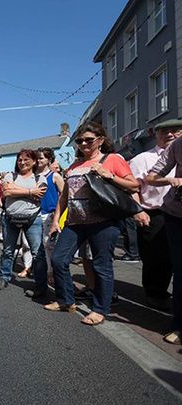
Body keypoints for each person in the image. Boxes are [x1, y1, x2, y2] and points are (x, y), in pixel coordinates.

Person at [46, 122, 139, 325]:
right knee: (59, 260)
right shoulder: (74, 165)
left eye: (89, 139)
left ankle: (100, 309)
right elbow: (64, 196)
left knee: (101, 266)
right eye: (80, 140)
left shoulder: (112, 159)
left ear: (101, 140)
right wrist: (55, 220)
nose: (84, 143)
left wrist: (109, 175)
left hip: (103, 222)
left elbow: (134, 185)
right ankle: (65, 300)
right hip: (75, 221)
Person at [131, 120, 181, 311]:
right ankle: (154, 293)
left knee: (173, 257)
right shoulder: (142, 159)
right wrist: (138, 211)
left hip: (177, 211)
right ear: (155, 135)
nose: (169, 134)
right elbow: (132, 189)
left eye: (175, 130)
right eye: (164, 132)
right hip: (153, 213)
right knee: (155, 256)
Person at [146, 120, 182, 345]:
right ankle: (179, 324)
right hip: (177, 215)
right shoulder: (177, 146)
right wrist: (170, 179)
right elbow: (151, 176)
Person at [0, 149, 47, 290]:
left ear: (34, 161)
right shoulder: (9, 176)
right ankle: (4, 276)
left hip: (33, 219)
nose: (22, 162)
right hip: (10, 218)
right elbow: (6, 192)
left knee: (38, 253)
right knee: (7, 250)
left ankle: (41, 286)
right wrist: (30, 191)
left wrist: (15, 190)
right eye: (20, 160)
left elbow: (40, 195)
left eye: (26, 159)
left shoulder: (40, 178)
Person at [24, 147, 64, 298]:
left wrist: (58, 216)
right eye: (37, 158)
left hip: (49, 215)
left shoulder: (54, 175)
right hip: (34, 214)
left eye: (42, 158)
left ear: (48, 159)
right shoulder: (32, 176)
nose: (39, 161)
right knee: (36, 247)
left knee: (48, 246)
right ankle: (41, 276)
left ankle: (51, 274)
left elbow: (64, 194)